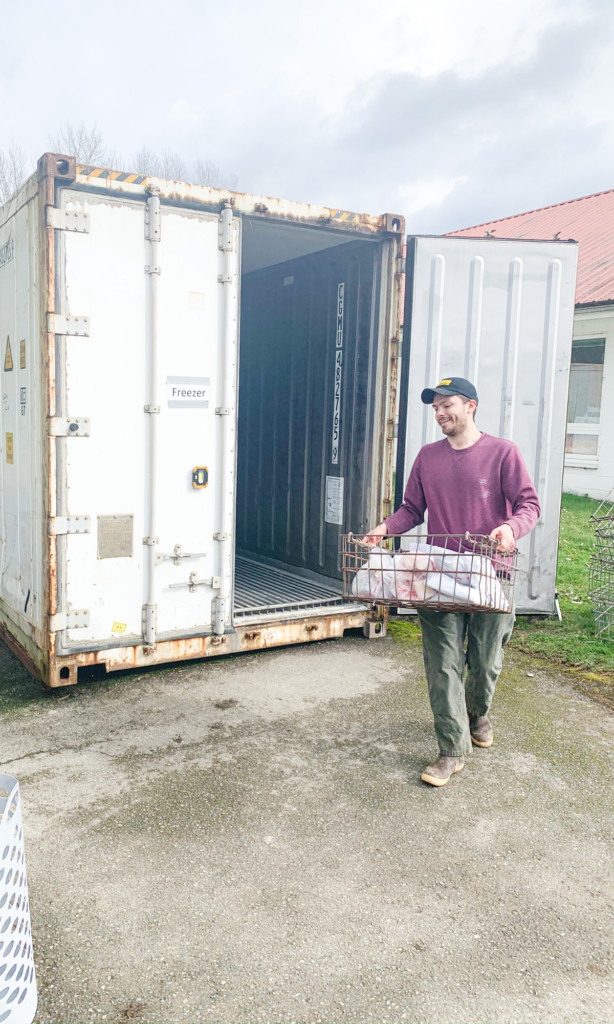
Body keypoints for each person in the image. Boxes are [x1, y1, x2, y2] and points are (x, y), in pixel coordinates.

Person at [365, 377, 540, 787]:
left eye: (448, 405)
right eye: (436, 408)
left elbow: (528, 504)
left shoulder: (502, 453)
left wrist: (511, 528)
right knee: (442, 663)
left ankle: (477, 713)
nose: (441, 413)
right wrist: (385, 528)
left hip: (491, 572)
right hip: (438, 572)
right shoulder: (427, 457)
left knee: (485, 660)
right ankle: (451, 750)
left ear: (471, 406)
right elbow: (411, 509)